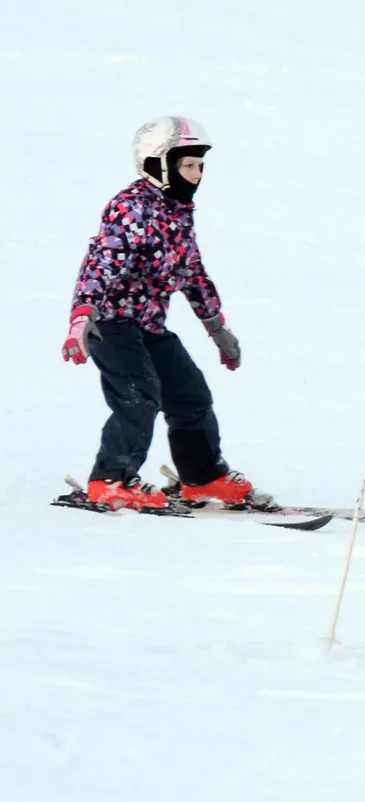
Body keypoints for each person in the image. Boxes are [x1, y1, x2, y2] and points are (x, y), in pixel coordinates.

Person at [62, 117, 258, 511]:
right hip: (111, 324)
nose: (198, 174)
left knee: (191, 395)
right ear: (159, 164)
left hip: (149, 325)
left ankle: (203, 477)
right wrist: (82, 316)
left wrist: (216, 327)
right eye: (189, 165)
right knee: (139, 396)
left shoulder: (178, 210)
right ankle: (111, 479)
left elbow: (192, 272)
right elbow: (102, 263)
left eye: (200, 165)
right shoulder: (130, 208)